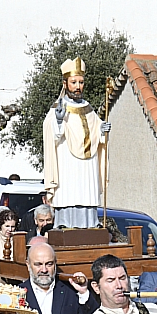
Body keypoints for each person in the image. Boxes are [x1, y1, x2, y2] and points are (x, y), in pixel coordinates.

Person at [42, 57, 109, 229]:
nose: (78, 86)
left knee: (87, 190)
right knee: (69, 190)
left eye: (81, 82)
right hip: (68, 161)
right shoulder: (59, 107)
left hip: (88, 162)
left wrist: (103, 130)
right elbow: (52, 134)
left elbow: (96, 128)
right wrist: (58, 121)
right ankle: (65, 222)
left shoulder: (88, 108)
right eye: (74, 82)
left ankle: (91, 222)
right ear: (65, 84)